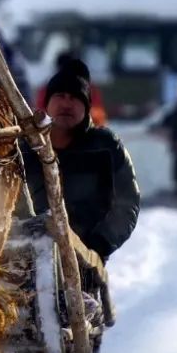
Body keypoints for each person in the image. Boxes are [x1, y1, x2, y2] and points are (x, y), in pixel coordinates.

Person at [21, 61, 141, 263]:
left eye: (75, 97)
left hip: (86, 261)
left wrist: (98, 245)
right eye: (60, 95)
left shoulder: (106, 147)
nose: (67, 103)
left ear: (86, 107)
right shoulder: (24, 148)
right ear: (47, 104)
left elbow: (127, 203)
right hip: (27, 257)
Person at [35, 52, 108, 126]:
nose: (66, 104)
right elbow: (40, 116)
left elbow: (98, 116)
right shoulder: (47, 89)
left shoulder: (89, 89)